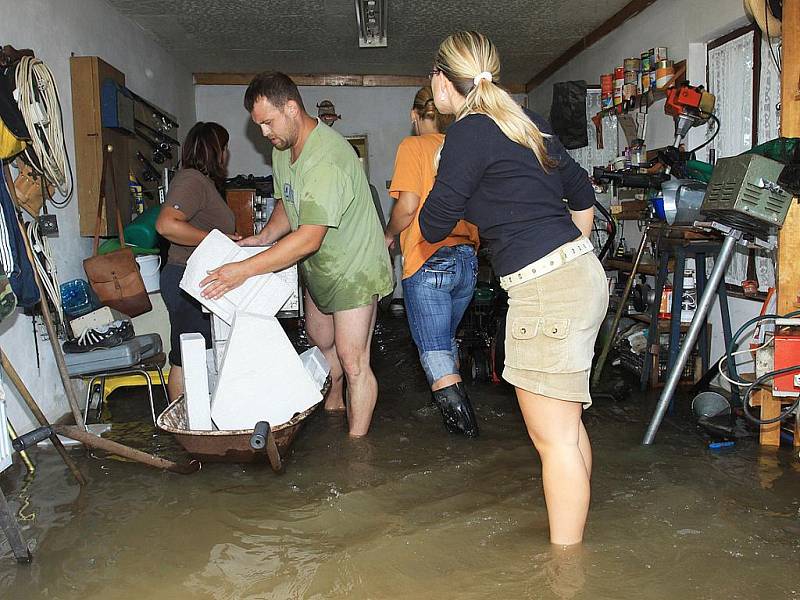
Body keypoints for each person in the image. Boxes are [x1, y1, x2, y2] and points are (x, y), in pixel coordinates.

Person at [418, 32, 608, 545]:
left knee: (555, 441)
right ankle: (581, 546)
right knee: (567, 429)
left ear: (440, 79)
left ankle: (565, 574)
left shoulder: (467, 133)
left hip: (548, 289)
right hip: (581, 276)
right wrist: (570, 252)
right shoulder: (525, 123)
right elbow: (582, 191)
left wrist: (443, 174)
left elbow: (433, 225)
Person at [199, 72, 393, 437]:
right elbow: (288, 202)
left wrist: (241, 271)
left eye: (268, 122)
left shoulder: (328, 157)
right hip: (321, 267)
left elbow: (308, 239)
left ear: (291, 108)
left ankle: (357, 449)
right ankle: (334, 401)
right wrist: (264, 238)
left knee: (354, 361)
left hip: (355, 268)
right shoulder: (282, 150)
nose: (264, 133)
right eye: (259, 125)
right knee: (321, 342)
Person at [385, 85, 481, 437]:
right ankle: (454, 410)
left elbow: (408, 207)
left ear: (415, 116)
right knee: (445, 341)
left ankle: (466, 440)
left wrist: (389, 234)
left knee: (435, 351)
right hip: (467, 262)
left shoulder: (412, 146)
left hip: (428, 258)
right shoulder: (462, 148)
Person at [155, 121, 240, 402]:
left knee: (194, 353)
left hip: (195, 280)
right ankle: (186, 424)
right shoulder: (191, 180)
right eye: (224, 148)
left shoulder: (201, 183)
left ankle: (199, 419)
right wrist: (218, 239)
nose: (226, 155)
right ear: (215, 150)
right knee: (186, 356)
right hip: (186, 280)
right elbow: (167, 225)